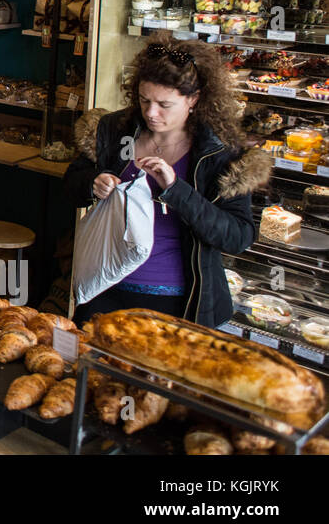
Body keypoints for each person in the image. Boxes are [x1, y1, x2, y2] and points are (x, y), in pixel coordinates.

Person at [63, 38, 270, 327]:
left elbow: (237, 236)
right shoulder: (115, 129)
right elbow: (71, 185)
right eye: (144, 99)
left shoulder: (221, 154)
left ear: (194, 100)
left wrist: (177, 191)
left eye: (164, 104)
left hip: (178, 302)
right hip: (104, 286)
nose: (151, 112)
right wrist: (91, 183)